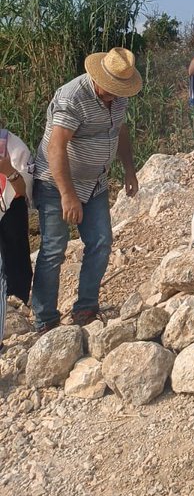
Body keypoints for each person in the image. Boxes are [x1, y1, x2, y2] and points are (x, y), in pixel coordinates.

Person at [31, 47, 142, 332]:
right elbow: (57, 146)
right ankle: (45, 320)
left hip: (96, 182)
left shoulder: (119, 98)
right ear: (98, 77)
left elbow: (121, 130)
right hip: (57, 183)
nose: (114, 96)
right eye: (110, 90)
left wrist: (129, 169)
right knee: (54, 249)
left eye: (119, 90)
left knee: (101, 242)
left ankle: (86, 308)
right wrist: (67, 194)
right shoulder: (73, 97)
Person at [0, 126, 32, 349]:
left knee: (7, 270)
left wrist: (8, 170)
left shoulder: (12, 145)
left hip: (9, 212)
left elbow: (23, 188)